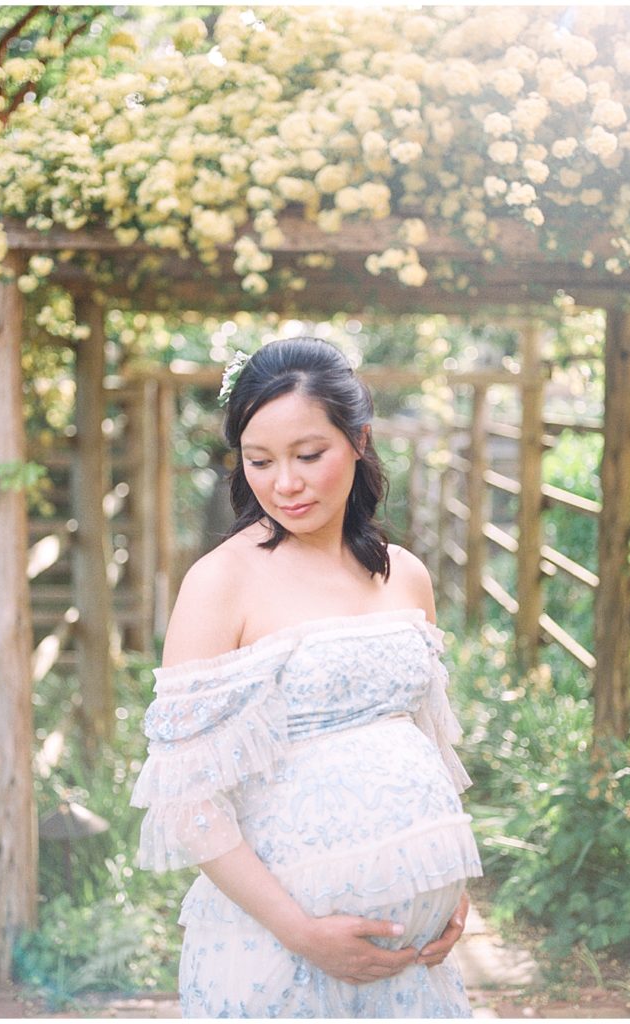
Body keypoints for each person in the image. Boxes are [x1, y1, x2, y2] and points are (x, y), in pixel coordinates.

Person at [131, 337, 483, 1018]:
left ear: (358, 440)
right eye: (259, 461)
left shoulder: (403, 573)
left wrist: (444, 878)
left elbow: (425, 740)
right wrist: (303, 933)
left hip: (411, 967)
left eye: (308, 456)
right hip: (277, 952)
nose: (284, 483)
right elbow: (187, 799)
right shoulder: (221, 583)